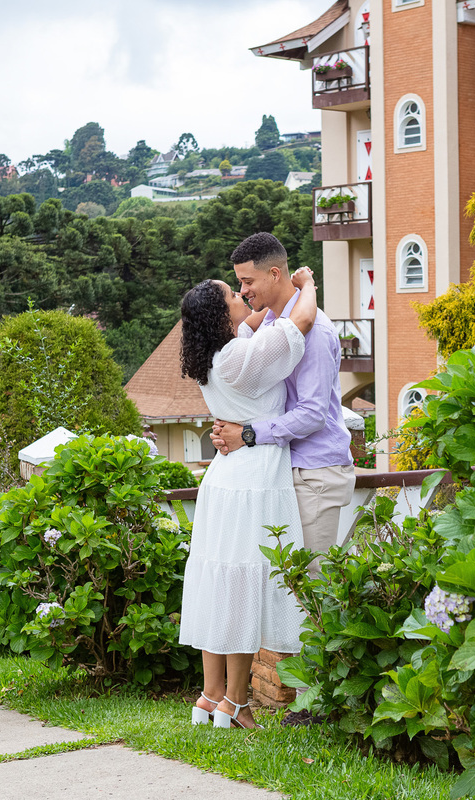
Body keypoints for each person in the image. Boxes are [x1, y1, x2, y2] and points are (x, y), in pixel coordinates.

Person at [177, 266, 320, 730]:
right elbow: (300, 322)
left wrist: (259, 308)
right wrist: (306, 284)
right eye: (233, 296)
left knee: (220, 584)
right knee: (241, 588)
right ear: (222, 317)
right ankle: (236, 704)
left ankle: (210, 696)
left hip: (223, 479)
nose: (243, 298)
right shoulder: (241, 356)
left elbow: (255, 322)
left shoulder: (214, 356)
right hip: (254, 476)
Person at [211, 233, 355, 577]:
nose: (243, 290)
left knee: (311, 582)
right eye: (239, 284)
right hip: (286, 470)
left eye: (248, 282)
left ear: (275, 274)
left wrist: (246, 434)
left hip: (314, 473)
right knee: (285, 584)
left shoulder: (315, 332)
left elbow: (313, 414)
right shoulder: (272, 324)